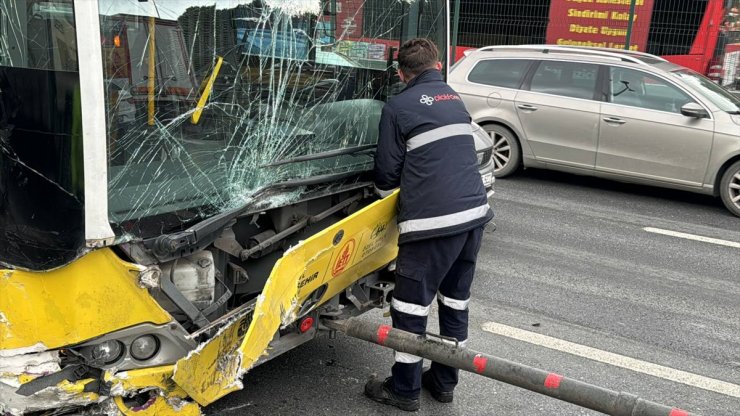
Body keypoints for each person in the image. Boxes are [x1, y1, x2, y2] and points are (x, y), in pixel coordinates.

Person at [365, 38, 493, 411]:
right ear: (438, 66)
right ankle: (443, 383)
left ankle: (403, 391)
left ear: (401, 73)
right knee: (455, 301)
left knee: (410, 307)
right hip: (474, 217)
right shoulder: (454, 100)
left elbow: (386, 177)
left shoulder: (397, 106)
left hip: (433, 224)